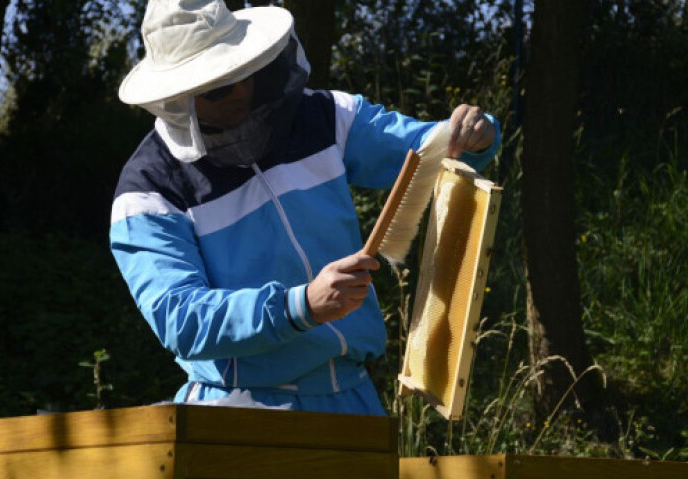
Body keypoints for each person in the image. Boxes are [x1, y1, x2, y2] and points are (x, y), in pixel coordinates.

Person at [110, 0, 501, 415]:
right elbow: (180, 319)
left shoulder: (325, 116)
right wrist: (300, 306)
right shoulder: (147, 192)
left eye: (243, 71)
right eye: (219, 86)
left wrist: (474, 134)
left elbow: (432, 152)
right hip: (238, 411)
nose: (241, 90)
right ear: (176, 97)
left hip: (355, 400)